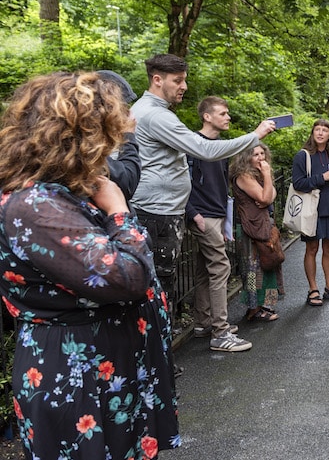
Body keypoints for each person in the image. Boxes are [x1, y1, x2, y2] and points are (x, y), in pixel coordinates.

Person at [0, 72, 180, 458]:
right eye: (107, 132)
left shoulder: (62, 193)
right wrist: (118, 211)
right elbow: (128, 276)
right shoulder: (35, 206)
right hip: (78, 377)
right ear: (78, 135)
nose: (112, 145)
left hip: (106, 371)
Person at [129, 54, 275, 342]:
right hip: (160, 213)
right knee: (166, 285)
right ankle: (218, 332)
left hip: (171, 211)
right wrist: (255, 135)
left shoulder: (151, 112)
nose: (184, 86)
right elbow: (203, 151)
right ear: (157, 80)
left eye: (184, 79)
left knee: (174, 281)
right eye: (178, 80)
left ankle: (187, 336)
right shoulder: (155, 115)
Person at [185, 96, 252, 352]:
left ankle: (204, 322)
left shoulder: (221, 146)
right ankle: (221, 333)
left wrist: (225, 217)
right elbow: (184, 182)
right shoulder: (192, 144)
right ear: (207, 116)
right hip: (201, 215)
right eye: (223, 113)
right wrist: (193, 213)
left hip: (216, 214)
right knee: (221, 266)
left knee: (204, 268)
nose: (228, 117)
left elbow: (222, 184)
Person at [292, 119, 329, 307]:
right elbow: (298, 183)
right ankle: (313, 288)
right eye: (317, 129)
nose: (320, 133)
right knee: (312, 249)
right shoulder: (303, 156)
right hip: (312, 211)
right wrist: (321, 178)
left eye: (324, 130)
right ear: (312, 133)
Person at [231, 144, 281, 322]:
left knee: (269, 264)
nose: (260, 157)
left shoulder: (259, 174)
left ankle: (267, 303)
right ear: (246, 158)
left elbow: (271, 194)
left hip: (264, 226)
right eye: (255, 155)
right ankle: (254, 307)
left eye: (262, 153)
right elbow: (266, 197)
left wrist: (267, 191)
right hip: (250, 230)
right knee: (252, 270)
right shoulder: (244, 176)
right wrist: (267, 178)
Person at [97, 69, 141, 200]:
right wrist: (128, 135)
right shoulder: (83, 146)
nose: (125, 114)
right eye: (121, 108)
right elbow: (126, 184)